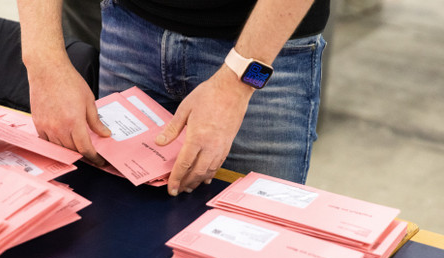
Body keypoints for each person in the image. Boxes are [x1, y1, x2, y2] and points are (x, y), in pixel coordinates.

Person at [17, 0, 329, 196]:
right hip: (129, 27)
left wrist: (237, 83)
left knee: (253, 239)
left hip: (266, 48)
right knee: (116, 228)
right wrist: (43, 61)